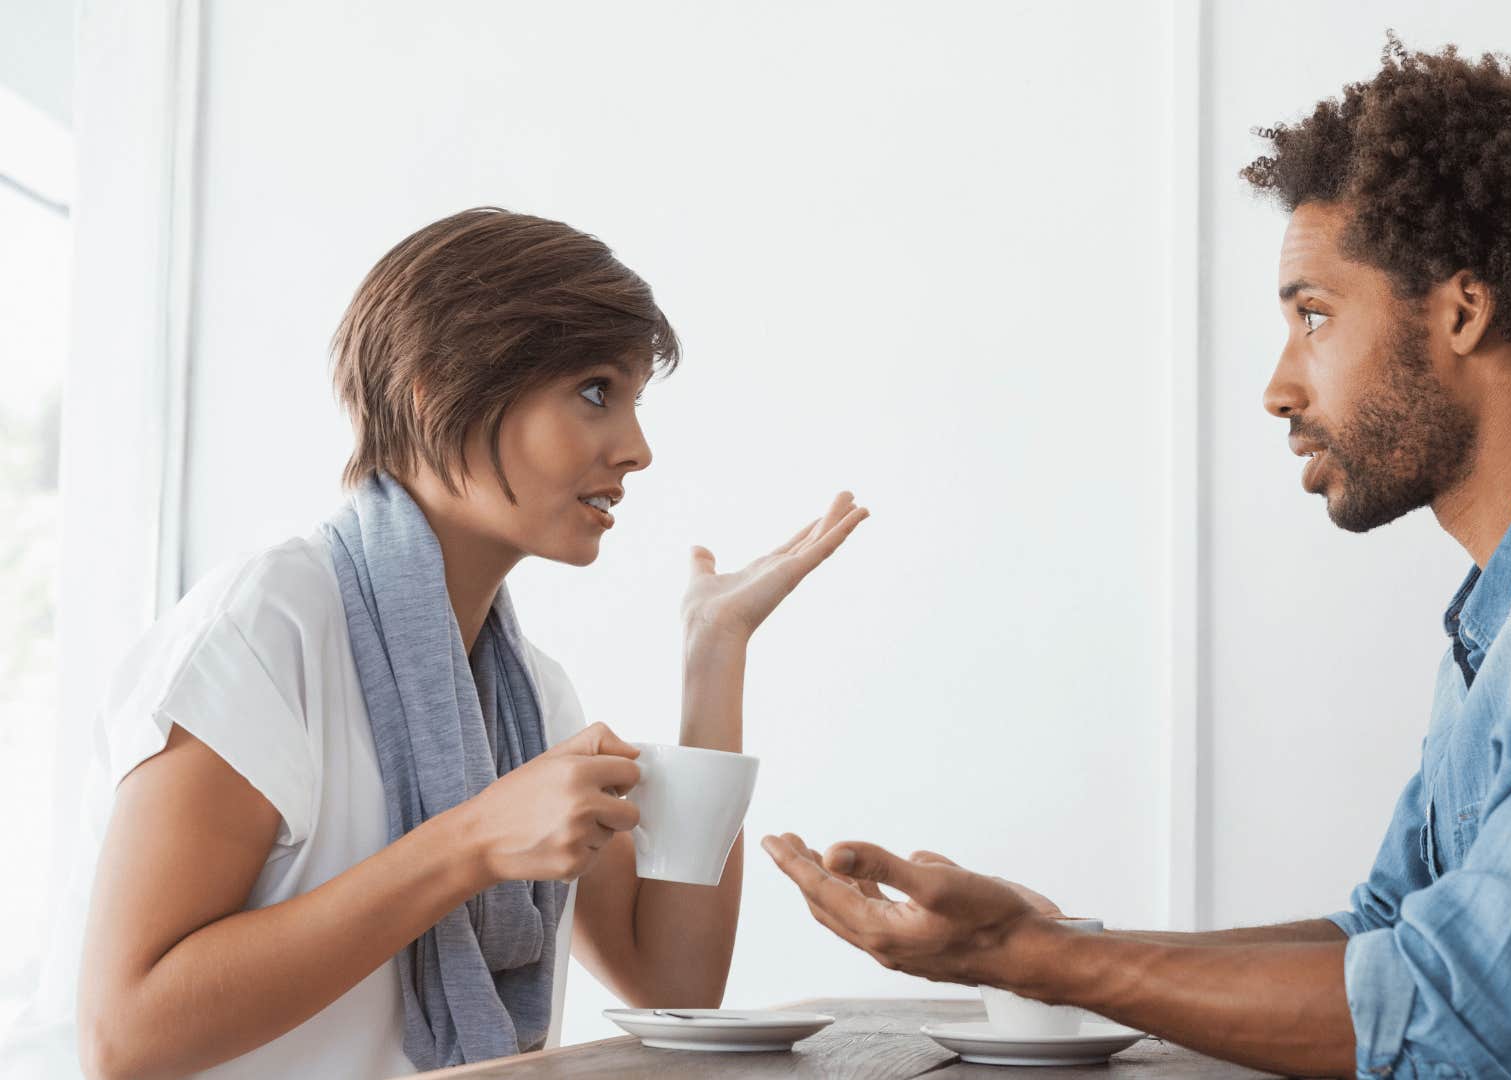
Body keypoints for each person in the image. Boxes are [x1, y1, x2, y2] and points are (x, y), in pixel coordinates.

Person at [762, 35, 1511, 1078]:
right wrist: (1047, 946)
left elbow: (1474, 1014)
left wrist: (1030, 959)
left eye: (1311, 313)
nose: (1277, 384)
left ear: (1461, 312)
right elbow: (1387, 937)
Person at [5, 207, 867, 1079]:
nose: (638, 449)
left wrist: (713, 653)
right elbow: (125, 1035)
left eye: (635, 400)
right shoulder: (268, 627)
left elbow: (673, 986)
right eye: (597, 390)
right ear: (436, 389)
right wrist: (471, 844)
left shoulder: (533, 696)